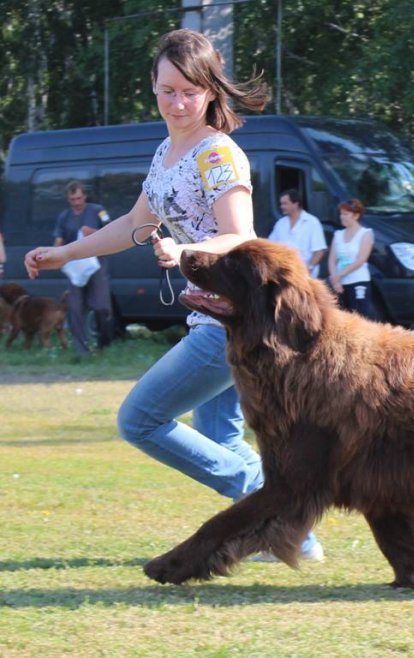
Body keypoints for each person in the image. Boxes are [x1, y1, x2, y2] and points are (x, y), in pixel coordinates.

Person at [23, 29, 323, 561]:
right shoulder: (167, 150)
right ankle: (295, 535)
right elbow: (137, 223)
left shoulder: (216, 155)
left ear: (210, 92)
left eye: (190, 91)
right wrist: (65, 254)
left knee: (139, 420)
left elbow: (240, 235)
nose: (178, 102)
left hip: (228, 320)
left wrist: (188, 255)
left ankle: (283, 503)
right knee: (222, 438)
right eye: (168, 90)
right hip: (217, 316)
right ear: (153, 88)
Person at [53, 181, 114, 353]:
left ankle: (104, 345)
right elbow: (58, 240)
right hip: (75, 267)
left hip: (96, 264)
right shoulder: (64, 217)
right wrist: (55, 255)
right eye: (73, 199)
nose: (76, 202)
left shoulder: (97, 211)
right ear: (68, 199)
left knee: (102, 306)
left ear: (84, 196)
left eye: (79, 198)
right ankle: (81, 350)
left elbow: (112, 231)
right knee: (76, 307)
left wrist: (93, 232)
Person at [327, 198, 374, 317]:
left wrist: (340, 274)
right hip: (340, 283)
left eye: (346, 214)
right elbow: (332, 259)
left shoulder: (366, 233)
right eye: (341, 214)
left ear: (356, 215)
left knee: (360, 317)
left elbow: (361, 260)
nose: (342, 217)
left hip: (358, 281)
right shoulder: (338, 234)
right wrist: (335, 279)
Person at [268, 189, 326, 276]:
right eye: (281, 203)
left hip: (306, 277)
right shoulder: (280, 224)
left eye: (285, 203)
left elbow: (319, 251)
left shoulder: (312, 222)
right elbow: (270, 246)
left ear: (296, 203)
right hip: (285, 275)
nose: (281, 206)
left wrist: (308, 269)